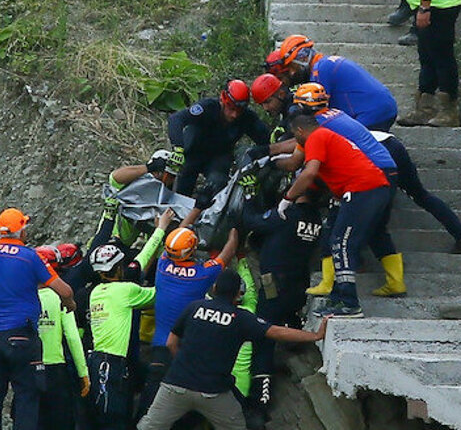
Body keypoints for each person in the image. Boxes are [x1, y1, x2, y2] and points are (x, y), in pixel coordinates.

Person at [137, 270, 329, 430]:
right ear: (238, 294)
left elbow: (171, 343)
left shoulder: (194, 307)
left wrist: (184, 367)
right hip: (213, 393)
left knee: (149, 426)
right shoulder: (241, 319)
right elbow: (277, 332)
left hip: (175, 386)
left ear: (214, 288)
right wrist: (315, 336)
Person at [270, 83, 402, 299]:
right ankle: (393, 282)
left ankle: (340, 292)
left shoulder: (318, 130)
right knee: (372, 230)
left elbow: (301, 165)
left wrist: (286, 194)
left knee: (340, 236)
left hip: (366, 180)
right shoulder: (334, 115)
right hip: (380, 172)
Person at [0, 208, 75, 430]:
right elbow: (64, 290)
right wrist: (70, 304)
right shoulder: (30, 257)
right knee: (27, 397)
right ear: (21, 231)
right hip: (22, 337)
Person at [278, 115, 391, 318]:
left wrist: (288, 198)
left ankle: (350, 303)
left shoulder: (316, 138)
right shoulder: (326, 136)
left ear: (300, 131)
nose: (297, 141)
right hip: (367, 188)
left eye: (295, 136)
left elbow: (309, 173)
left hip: (363, 189)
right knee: (337, 241)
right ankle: (339, 297)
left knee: (342, 243)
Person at [236, 175, 321, 423]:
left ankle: (260, 403)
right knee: (286, 318)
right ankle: (293, 337)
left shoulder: (286, 215)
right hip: (298, 287)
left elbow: (252, 221)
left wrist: (251, 195)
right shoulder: (316, 220)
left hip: (275, 286)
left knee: (264, 337)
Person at [136, 227, 239, 420]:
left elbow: (171, 246)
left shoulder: (162, 265)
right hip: (187, 352)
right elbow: (229, 250)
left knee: (148, 407)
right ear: (192, 251)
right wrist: (233, 229)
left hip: (159, 348)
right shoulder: (203, 274)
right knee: (192, 409)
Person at [85, 210, 173, 430]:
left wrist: (160, 231)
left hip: (99, 362)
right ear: (118, 268)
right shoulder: (126, 291)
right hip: (114, 365)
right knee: (116, 419)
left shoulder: (96, 291)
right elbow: (161, 293)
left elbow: (139, 263)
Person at [372, 131, 461, 255]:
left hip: (375, 153)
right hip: (391, 143)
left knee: (373, 210)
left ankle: (356, 259)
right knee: (420, 195)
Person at [168, 80, 271, 196]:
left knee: (217, 184)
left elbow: (266, 142)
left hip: (219, 157)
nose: (234, 115)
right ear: (223, 101)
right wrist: (178, 147)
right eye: (231, 109)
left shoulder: (247, 118)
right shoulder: (207, 107)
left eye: (239, 111)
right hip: (193, 152)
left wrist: (252, 169)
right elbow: (176, 119)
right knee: (182, 187)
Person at [276, 34, 398, 131]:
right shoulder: (325, 64)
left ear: (302, 58)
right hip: (382, 108)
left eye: (293, 66)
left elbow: (317, 113)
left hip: (372, 113)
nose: (292, 73)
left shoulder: (320, 71)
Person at [397, 0, 461, 127]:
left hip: (439, 5)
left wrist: (424, 7)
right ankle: (425, 108)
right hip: (430, 5)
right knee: (427, 56)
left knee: (442, 57)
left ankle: (448, 111)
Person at [33, 246, 91, 430]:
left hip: (29, 368)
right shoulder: (60, 297)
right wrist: (83, 373)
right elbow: (73, 338)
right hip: (55, 369)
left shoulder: (22, 296)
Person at [250, 73, 294, 144]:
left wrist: (269, 150)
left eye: (268, 102)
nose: (265, 108)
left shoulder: (295, 108)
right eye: (261, 105)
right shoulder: (285, 109)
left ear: (281, 94)